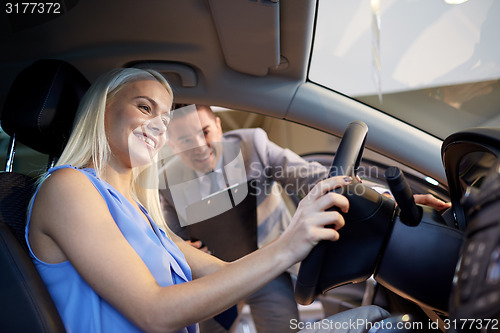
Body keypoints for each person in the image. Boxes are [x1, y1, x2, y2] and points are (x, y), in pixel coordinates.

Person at [25, 67, 392, 333]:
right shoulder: (69, 188)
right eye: (144, 107)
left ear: (217, 126)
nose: (158, 126)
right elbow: (154, 311)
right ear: (102, 109)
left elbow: (219, 270)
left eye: (164, 118)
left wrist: (374, 197)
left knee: (373, 317)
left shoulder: (138, 208)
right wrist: (288, 245)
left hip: (263, 273)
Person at [159, 105, 451, 332]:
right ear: (172, 145)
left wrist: (390, 201)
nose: (199, 145)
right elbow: (169, 240)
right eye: (185, 139)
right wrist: (185, 251)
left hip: (269, 265)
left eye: (205, 132)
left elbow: (313, 177)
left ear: (219, 126)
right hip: (213, 277)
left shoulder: (252, 145)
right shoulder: (165, 184)